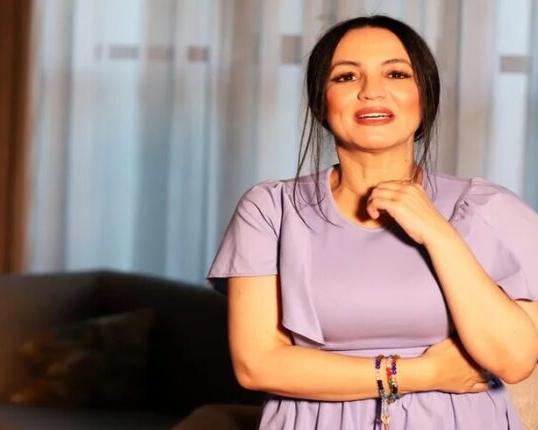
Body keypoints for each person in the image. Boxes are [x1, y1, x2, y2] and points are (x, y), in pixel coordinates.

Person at [207, 15, 538, 429]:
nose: (371, 91)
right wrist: (422, 374)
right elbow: (256, 365)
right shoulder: (271, 209)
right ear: (320, 103)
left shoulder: (489, 208)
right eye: (346, 77)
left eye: (396, 73)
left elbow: (513, 359)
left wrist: (437, 232)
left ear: (425, 97)